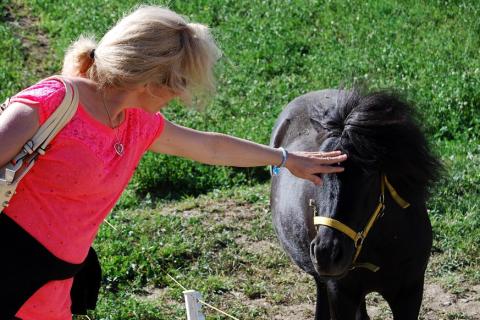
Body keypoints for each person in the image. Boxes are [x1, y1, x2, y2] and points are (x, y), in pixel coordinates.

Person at [0, 5, 347, 319]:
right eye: (178, 83)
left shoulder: (136, 121)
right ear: (148, 77)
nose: (182, 95)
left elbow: (209, 147)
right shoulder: (54, 101)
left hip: (53, 287)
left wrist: (285, 158)